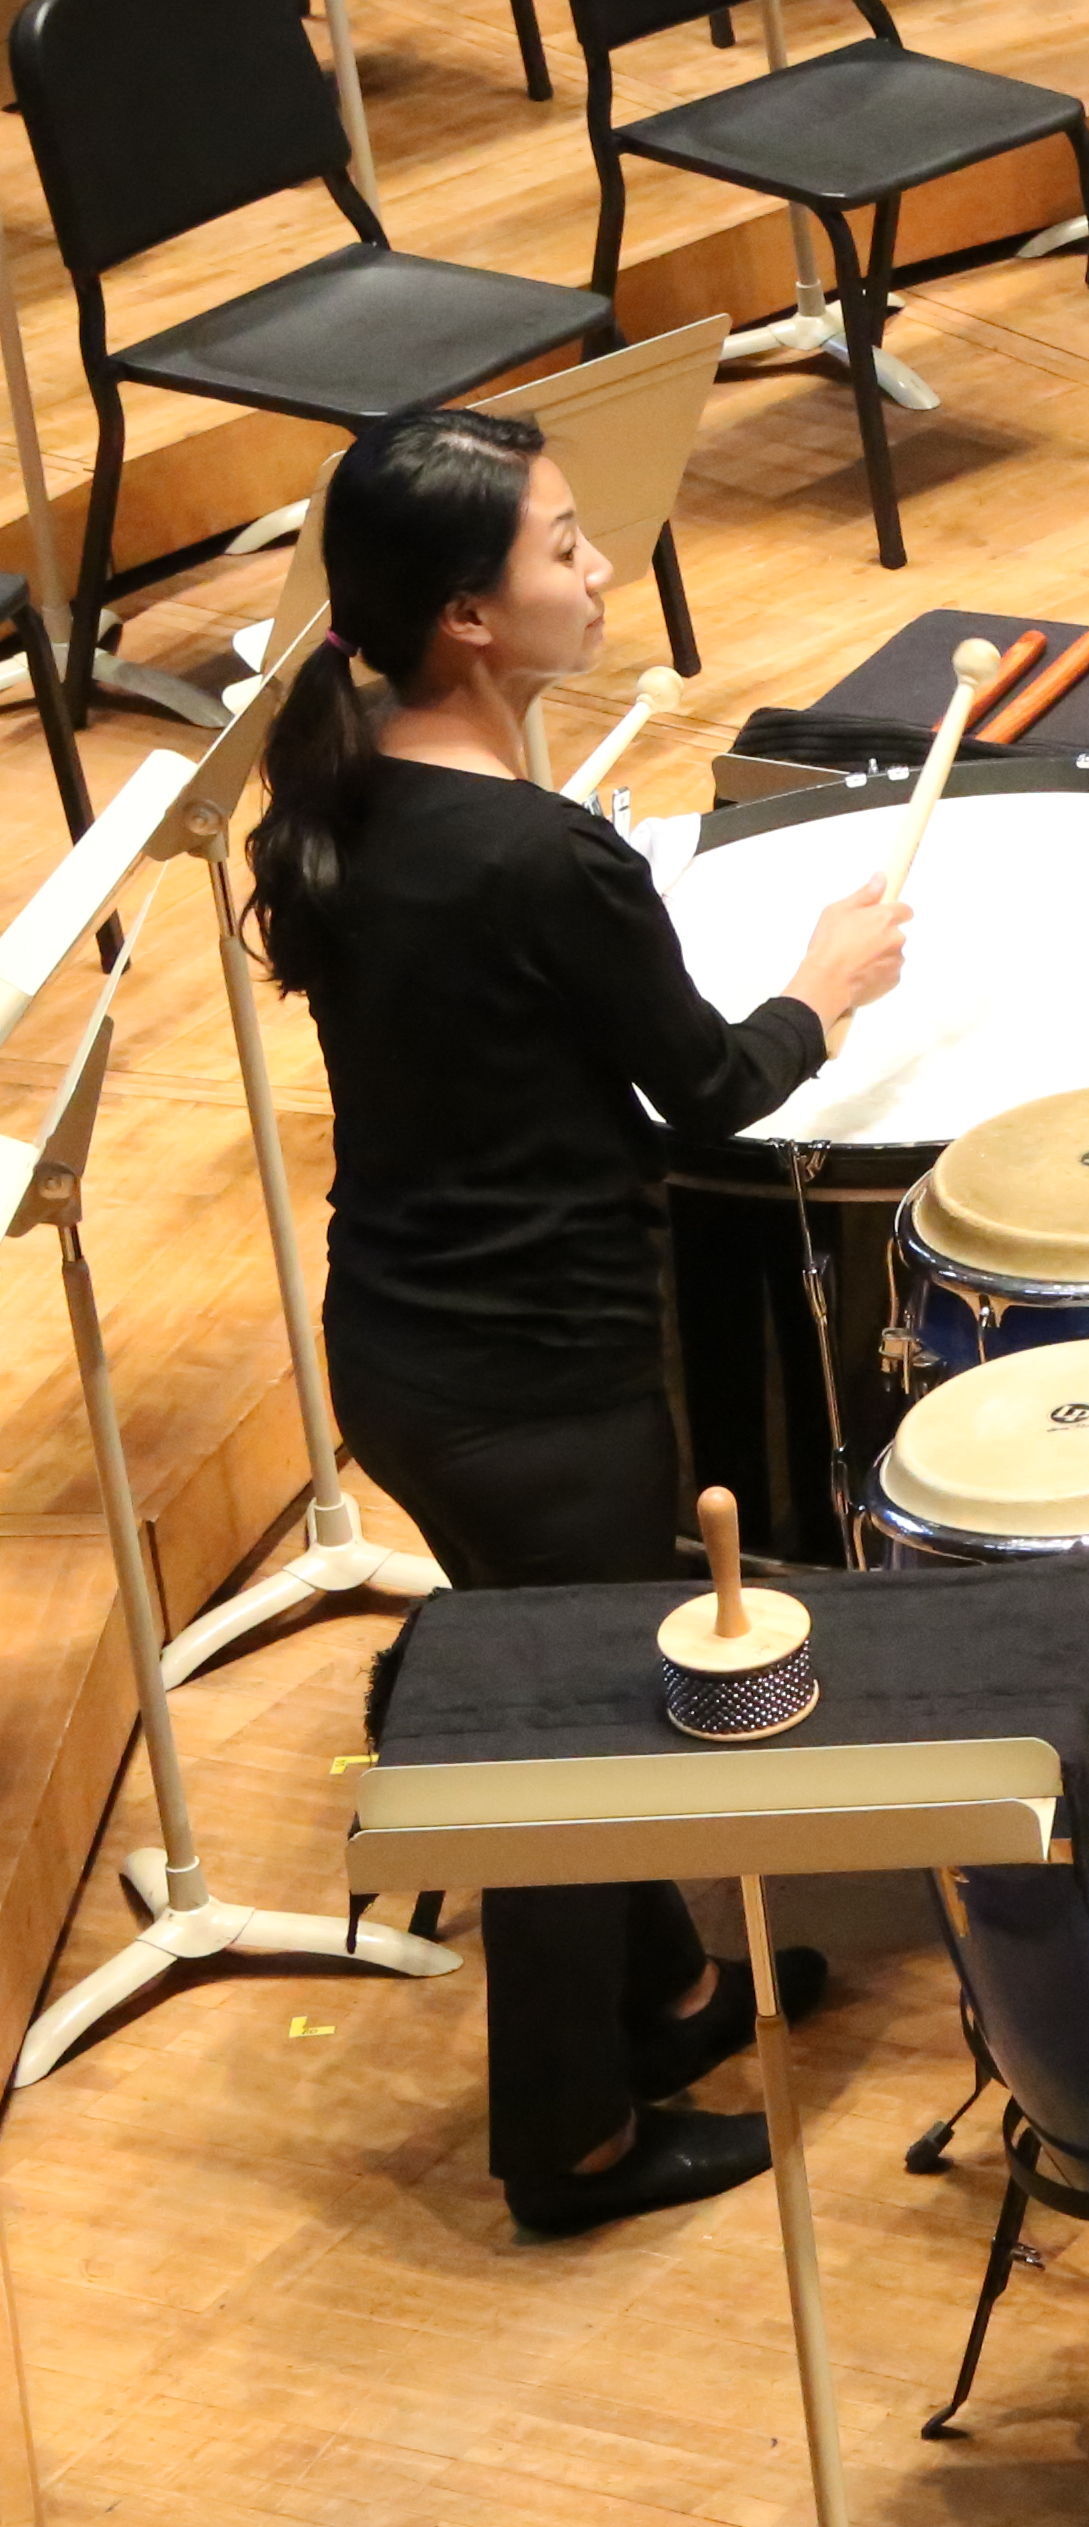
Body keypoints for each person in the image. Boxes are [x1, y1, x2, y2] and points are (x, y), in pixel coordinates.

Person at [242, 412, 905, 2235]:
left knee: (556, 1676)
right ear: (468, 617)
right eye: (559, 547)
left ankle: (669, 1999)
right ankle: (572, 2141)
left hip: (402, 1350)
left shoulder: (350, 785)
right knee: (571, 1752)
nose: (597, 561)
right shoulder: (543, 860)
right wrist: (820, 993)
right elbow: (705, 1090)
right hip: (540, 1383)